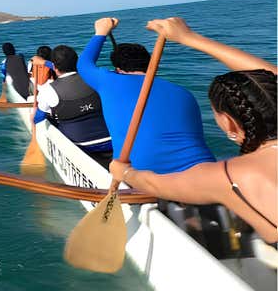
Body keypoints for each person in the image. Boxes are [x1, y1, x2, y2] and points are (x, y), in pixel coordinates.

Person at [109, 17, 277, 243]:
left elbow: (154, 184)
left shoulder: (228, 176)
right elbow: (270, 77)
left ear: (229, 122)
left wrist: (125, 173)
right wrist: (189, 38)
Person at [78, 17, 215, 173]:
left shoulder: (109, 81)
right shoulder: (183, 92)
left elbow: (84, 64)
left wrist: (101, 32)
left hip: (143, 177)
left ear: (118, 70)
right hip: (206, 172)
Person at [32, 45, 113, 168]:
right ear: (76, 62)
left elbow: (38, 118)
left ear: (54, 67)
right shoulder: (95, 78)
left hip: (80, 143)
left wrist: (33, 116)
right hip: (111, 139)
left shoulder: (48, 90)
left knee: (41, 114)